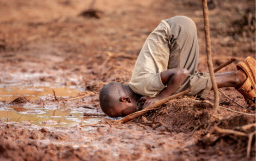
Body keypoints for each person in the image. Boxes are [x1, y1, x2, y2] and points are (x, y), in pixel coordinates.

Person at [99, 16, 256, 117]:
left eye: (120, 114)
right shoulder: (139, 86)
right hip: (177, 27)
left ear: (125, 99)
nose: (123, 117)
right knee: (181, 84)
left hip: (175, 32)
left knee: (181, 85)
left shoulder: (143, 86)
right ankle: (244, 76)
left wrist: (160, 98)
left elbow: (180, 73)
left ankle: (238, 78)